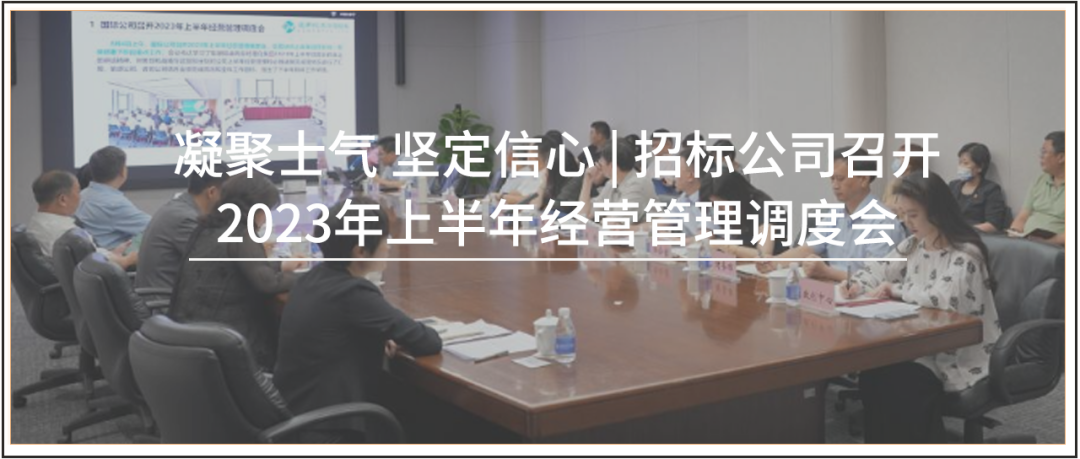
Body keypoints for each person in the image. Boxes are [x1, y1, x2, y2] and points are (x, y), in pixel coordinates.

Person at [841, 172, 1001, 443]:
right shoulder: (915, 244)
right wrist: (855, 284)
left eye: (913, 215)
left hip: (957, 354)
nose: (907, 222)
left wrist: (896, 290)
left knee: (902, 383)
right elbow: (879, 269)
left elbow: (945, 299)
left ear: (936, 211)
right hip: (919, 345)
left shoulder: (966, 254)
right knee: (872, 376)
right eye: (903, 214)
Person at [275, 198, 442, 443]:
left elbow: (339, 329)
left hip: (299, 416)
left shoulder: (309, 280)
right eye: (384, 239)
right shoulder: (353, 293)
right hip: (330, 431)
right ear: (360, 251)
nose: (389, 246)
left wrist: (378, 334)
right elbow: (427, 341)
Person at [168, 176, 305, 371]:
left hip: (191, 336)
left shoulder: (207, 227)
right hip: (229, 344)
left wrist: (281, 265)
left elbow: (237, 268)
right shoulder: (241, 234)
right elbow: (268, 284)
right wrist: (311, 277)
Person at [765, 147, 907, 282]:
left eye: (840, 178)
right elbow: (807, 249)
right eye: (832, 179)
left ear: (863, 179)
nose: (835, 185)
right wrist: (771, 262)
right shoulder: (836, 214)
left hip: (865, 295)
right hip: (832, 289)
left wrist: (827, 272)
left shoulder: (884, 222)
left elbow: (874, 278)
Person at [25, 170, 137, 268]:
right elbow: (91, 264)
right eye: (78, 191)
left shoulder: (37, 221)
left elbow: (88, 254)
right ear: (63, 200)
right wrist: (126, 261)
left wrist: (112, 254)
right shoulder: (66, 234)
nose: (80, 197)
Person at [135, 174, 227, 292]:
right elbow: (217, 262)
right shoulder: (185, 218)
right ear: (212, 192)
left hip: (168, 293)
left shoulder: (178, 207)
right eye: (228, 194)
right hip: (165, 298)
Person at [75, 146, 151, 249]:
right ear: (122, 172)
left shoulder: (82, 194)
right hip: (114, 256)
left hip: (94, 254)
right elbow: (156, 227)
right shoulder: (114, 204)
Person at [700, 168, 786, 258]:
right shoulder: (726, 213)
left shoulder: (764, 207)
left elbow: (763, 255)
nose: (719, 211)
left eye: (721, 206)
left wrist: (726, 247)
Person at [578, 138, 657, 221]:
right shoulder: (612, 183)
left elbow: (613, 223)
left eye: (601, 160)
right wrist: (588, 179)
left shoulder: (638, 185)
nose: (598, 163)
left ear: (612, 166)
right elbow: (583, 216)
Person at [1009, 131, 1065, 246]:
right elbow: (1023, 216)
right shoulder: (1040, 180)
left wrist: (1048, 242)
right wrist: (1014, 233)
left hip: (1058, 248)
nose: (1040, 156)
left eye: (1044, 152)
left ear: (1061, 157)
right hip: (1028, 243)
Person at [948, 142, 1008, 233]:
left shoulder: (991, 190)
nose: (961, 167)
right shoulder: (953, 186)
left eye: (965, 163)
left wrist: (963, 231)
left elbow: (993, 225)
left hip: (975, 236)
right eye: (960, 163)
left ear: (980, 167)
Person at [534, 136, 580, 213]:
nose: (545, 171)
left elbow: (557, 207)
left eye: (548, 168)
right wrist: (542, 185)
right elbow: (536, 205)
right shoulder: (556, 182)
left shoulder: (575, 181)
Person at [883, 143, 926, 214]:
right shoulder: (894, 184)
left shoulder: (920, 185)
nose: (896, 161)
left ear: (910, 162)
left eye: (899, 158)